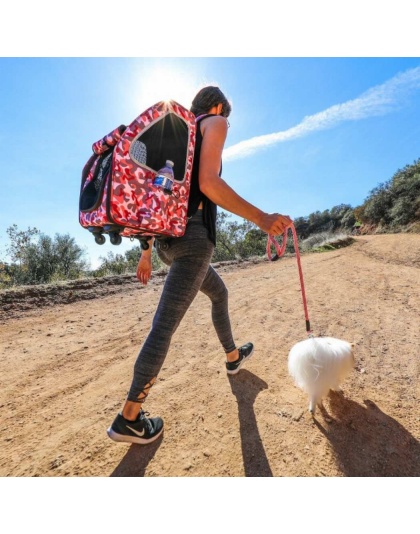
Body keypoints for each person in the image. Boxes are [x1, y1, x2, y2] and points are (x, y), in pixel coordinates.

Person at [107, 86, 292, 445]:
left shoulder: (179, 132)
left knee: (219, 293)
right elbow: (209, 182)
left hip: (167, 244)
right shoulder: (215, 122)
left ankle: (233, 356)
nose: (226, 121)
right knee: (164, 327)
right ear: (220, 105)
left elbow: (153, 196)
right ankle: (129, 417)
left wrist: (146, 251)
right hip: (193, 242)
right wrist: (261, 218)